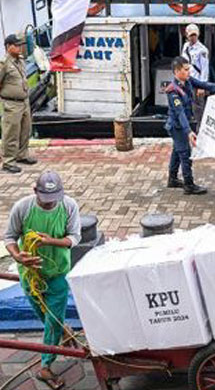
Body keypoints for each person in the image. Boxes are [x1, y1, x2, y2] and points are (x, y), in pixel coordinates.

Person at [3, 171, 81, 389]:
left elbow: (74, 238)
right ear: (35, 191)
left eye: (53, 200)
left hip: (57, 275)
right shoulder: (23, 208)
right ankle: (64, 329)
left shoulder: (69, 206)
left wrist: (50, 241)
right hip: (30, 276)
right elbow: (9, 237)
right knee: (45, 316)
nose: (49, 205)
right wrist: (18, 255)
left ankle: (45, 366)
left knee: (52, 323)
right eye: (45, 200)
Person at [165, 56, 215, 195]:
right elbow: (180, 113)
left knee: (177, 150)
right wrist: (189, 131)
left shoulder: (188, 81)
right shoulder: (173, 91)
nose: (189, 72)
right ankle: (189, 185)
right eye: (186, 69)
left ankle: (172, 179)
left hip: (183, 124)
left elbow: (203, 84)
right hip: (178, 127)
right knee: (185, 154)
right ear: (177, 71)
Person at [1, 34, 36, 173]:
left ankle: (22, 155)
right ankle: (8, 161)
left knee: (25, 130)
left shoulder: (20, 60)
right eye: (17, 45)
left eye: (21, 45)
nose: (20, 48)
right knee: (11, 133)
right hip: (12, 103)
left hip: (24, 102)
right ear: (9, 47)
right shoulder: (3, 63)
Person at [180, 24, 210, 127]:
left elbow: (205, 68)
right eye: (191, 35)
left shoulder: (202, 50)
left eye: (194, 35)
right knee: (186, 104)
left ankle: (200, 128)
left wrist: (202, 86)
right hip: (186, 80)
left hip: (197, 81)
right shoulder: (185, 46)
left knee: (198, 107)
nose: (193, 37)